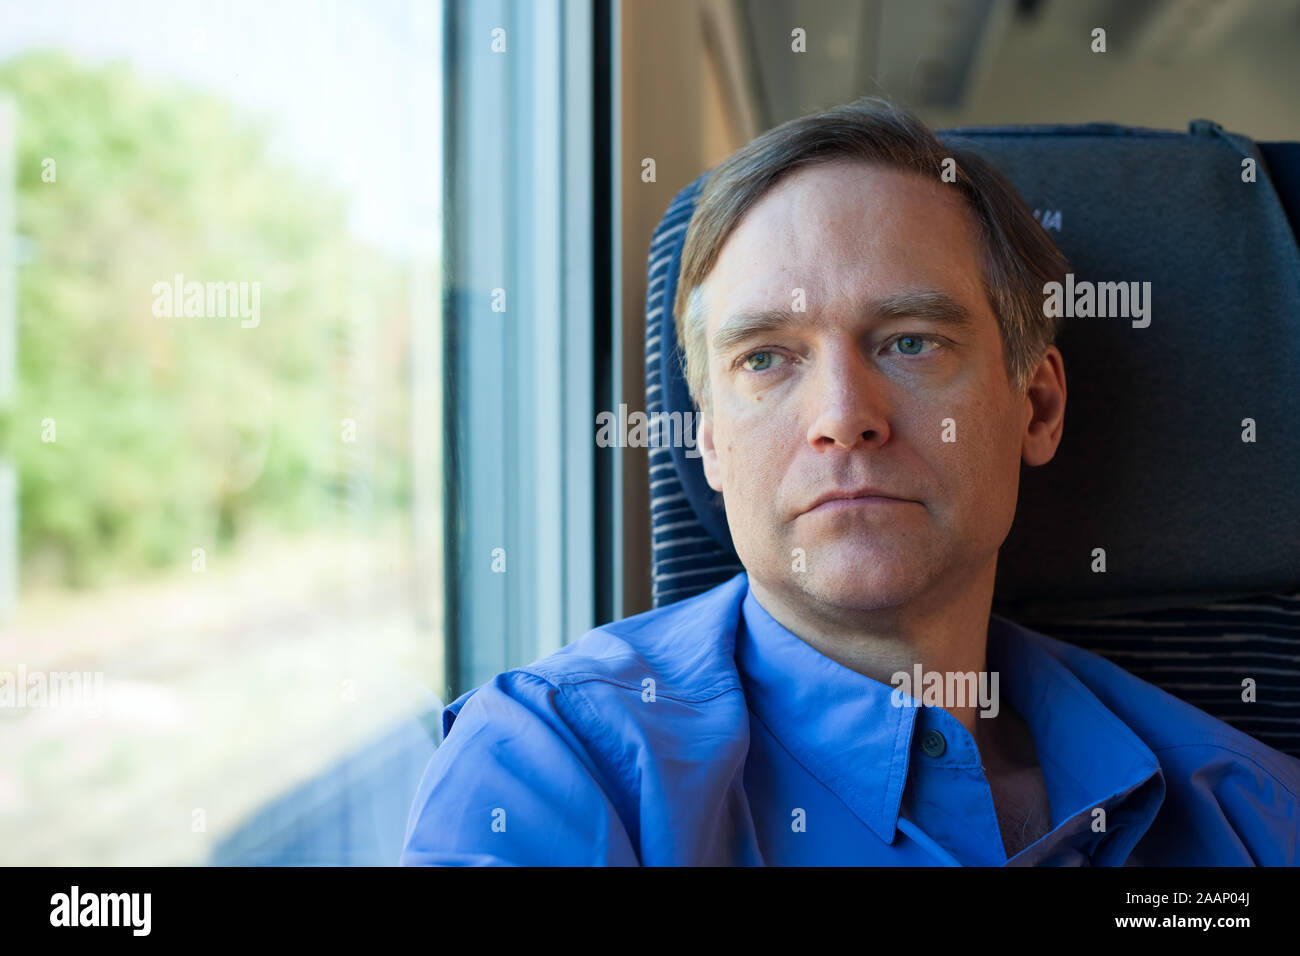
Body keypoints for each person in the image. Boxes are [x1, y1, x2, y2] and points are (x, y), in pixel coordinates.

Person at [401, 97, 1300, 865]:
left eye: (909, 340)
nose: (842, 415)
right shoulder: (555, 763)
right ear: (709, 440)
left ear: (1035, 407)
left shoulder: (1244, 812)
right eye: (766, 359)